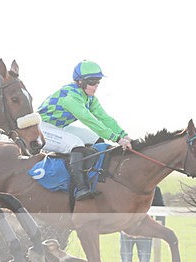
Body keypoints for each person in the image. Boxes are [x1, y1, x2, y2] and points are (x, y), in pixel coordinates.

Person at [37, 60, 132, 200]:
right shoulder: (70, 96)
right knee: (76, 143)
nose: (96, 86)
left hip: (60, 127)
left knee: (96, 139)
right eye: (93, 82)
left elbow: (104, 118)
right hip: (41, 129)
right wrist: (117, 139)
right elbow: (89, 120)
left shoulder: (90, 98)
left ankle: (97, 176)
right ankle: (81, 188)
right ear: (80, 82)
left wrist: (124, 135)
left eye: (98, 82)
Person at [118, 187, 165, 262]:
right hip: (126, 232)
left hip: (145, 233)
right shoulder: (126, 187)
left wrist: (159, 230)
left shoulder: (155, 190)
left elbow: (161, 212)